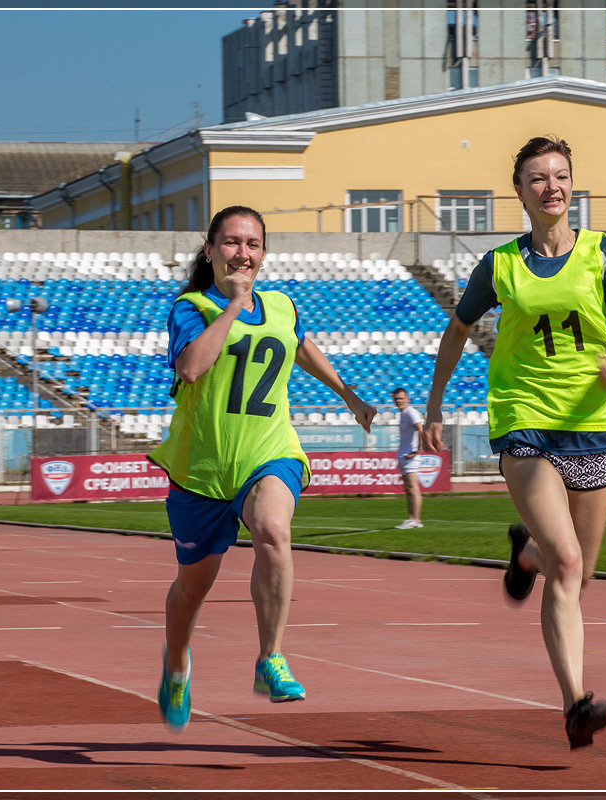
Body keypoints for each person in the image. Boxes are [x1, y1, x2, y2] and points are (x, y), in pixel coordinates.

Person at [421, 135, 606, 750]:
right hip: (526, 424)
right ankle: (577, 704)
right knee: (568, 563)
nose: (552, 187)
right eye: (538, 178)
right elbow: (456, 331)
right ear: (519, 191)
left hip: (596, 425)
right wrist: (436, 405)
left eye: (561, 176)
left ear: (573, 185)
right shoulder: (500, 265)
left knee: (578, 573)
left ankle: (525, 557)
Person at [149, 205, 377, 732]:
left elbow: (299, 346)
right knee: (192, 588)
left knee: (274, 528)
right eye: (231, 243)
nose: (242, 253)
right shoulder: (192, 308)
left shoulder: (281, 306)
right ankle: (177, 665)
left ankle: (270, 658)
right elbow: (191, 366)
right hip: (202, 468)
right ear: (210, 251)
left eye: (252, 244)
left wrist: (347, 394)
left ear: (264, 253)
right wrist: (232, 307)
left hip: (268, 452)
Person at [392, 387, 425, 529]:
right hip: (403, 455)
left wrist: (417, 450)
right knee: (408, 489)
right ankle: (411, 518)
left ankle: (416, 520)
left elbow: (421, 429)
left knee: (413, 488)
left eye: (401, 398)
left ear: (407, 399)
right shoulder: (403, 414)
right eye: (396, 399)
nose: (399, 401)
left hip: (411, 456)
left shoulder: (411, 412)